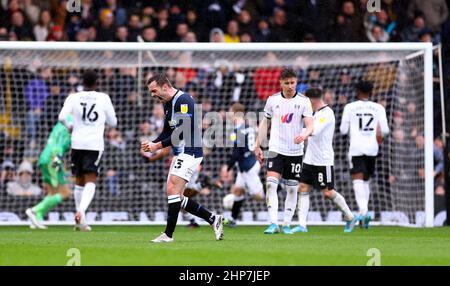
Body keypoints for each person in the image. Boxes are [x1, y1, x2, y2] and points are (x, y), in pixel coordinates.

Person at [141, 73, 223, 243]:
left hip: (190, 150)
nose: (152, 95)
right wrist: (152, 143)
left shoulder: (184, 100)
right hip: (181, 152)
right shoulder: (166, 103)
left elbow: (182, 133)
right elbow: (167, 131)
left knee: (172, 190)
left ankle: (168, 235)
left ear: (165, 86)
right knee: (175, 195)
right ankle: (212, 219)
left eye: (154, 90)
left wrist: (157, 146)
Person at [254, 68, 314, 234]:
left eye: (292, 82)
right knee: (271, 184)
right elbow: (265, 123)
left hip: (295, 150)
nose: (290, 86)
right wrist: (257, 144)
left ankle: (286, 224)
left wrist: (304, 134)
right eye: (286, 83)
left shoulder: (304, 101)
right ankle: (273, 223)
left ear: (296, 82)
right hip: (276, 149)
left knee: (292, 188)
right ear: (280, 83)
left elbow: (310, 124)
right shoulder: (272, 100)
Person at [58, 70, 117, 231]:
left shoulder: (73, 97)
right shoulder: (103, 98)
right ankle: (81, 211)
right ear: (97, 83)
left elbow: (61, 116)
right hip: (94, 144)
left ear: (81, 83)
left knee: (79, 179)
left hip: (77, 142)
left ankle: (80, 221)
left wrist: (70, 126)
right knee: (91, 178)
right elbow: (113, 122)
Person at [292, 87, 356, 233]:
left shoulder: (326, 114)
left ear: (313, 100)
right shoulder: (315, 113)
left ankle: (350, 217)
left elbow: (314, 131)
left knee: (327, 192)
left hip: (323, 160)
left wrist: (300, 134)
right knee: (303, 188)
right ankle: (302, 225)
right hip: (309, 159)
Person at [340, 81, 389, 229]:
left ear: (357, 91)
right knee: (366, 181)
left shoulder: (350, 107)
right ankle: (364, 212)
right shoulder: (378, 107)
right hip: (372, 148)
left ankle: (364, 211)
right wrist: (378, 135)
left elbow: (343, 130)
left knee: (358, 180)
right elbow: (385, 130)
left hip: (356, 147)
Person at [25, 116, 73, 229]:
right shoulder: (73, 124)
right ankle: (34, 210)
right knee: (65, 193)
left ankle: (37, 218)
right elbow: (61, 144)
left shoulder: (61, 122)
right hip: (54, 157)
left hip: (44, 156)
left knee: (52, 192)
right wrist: (58, 159)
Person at [224, 102, 264, 227]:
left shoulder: (238, 130)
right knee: (237, 191)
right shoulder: (249, 127)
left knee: (258, 196)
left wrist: (228, 168)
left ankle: (278, 187)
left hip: (247, 167)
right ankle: (233, 219)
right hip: (249, 162)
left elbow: (236, 154)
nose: (228, 114)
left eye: (230, 111)